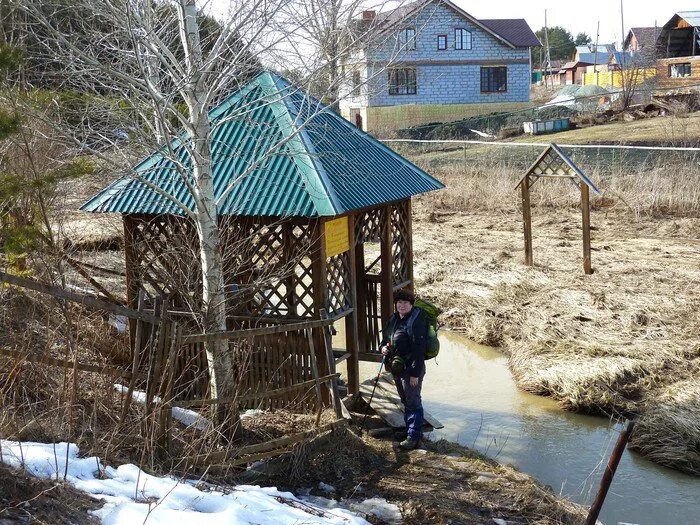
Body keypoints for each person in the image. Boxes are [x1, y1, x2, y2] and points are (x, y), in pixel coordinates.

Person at [379, 289, 427, 450]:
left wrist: (415, 374)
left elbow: (419, 350)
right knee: (405, 399)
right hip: (397, 367)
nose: (402, 305)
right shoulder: (393, 319)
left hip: (412, 369)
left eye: (405, 303)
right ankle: (410, 431)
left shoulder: (416, 322)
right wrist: (383, 348)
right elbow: (385, 339)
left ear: (411, 305)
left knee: (413, 401)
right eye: (399, 302)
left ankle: (414, 437)